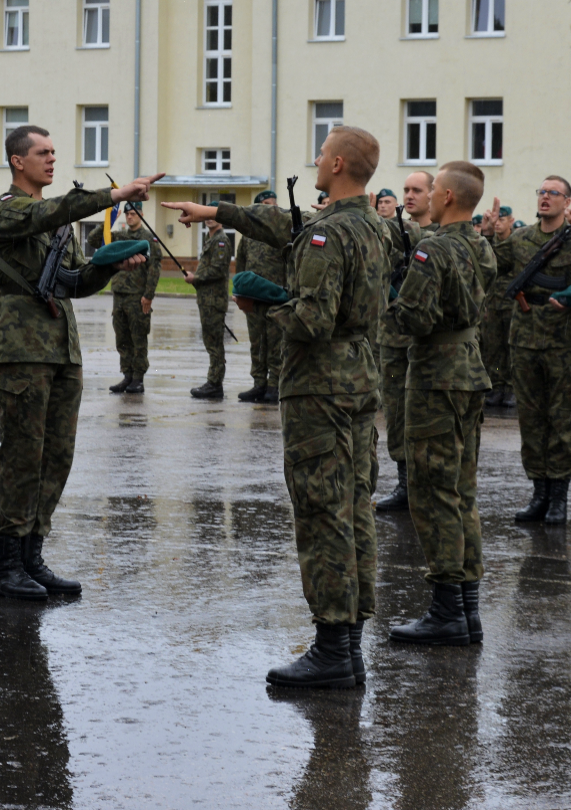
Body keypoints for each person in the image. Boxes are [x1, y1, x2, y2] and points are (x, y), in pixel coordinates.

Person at [163, 125, 387, 689]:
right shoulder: (372, 225)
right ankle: (350, 645)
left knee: (323, 510)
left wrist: (262, 306)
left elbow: (311, 319)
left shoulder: (328, 237)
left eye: (321, 153)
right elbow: (290, 222)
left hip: (321, 385)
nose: (315, 159)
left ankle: (332, 648)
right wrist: (218, 212)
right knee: (356, 506)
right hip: (359, 377)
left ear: (336, 165)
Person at [0, 124, 160, 601]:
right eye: (43, 152)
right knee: (21, 456)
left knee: (55, 457)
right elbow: (49, 210)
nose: (52, 159)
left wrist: (109, 266)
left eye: (55, 152)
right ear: (18, 161)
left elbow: (74, 283)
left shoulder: (57, 223)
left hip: (61, 349)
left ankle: (32, 556)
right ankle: (6, 566)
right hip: (18, 351)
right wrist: (114, 194)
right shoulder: (6, 210)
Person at [383, 161, 493, 647]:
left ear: (446, 196)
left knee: (432, 492)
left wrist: (391, 295)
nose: (424, 195)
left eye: (432, 188)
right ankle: (466, 609)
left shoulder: (434, 247)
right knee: (462, 488)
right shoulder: (480, 243)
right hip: (469, 369)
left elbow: (415, 319)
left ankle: (447, 609)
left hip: (435, 376)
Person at [503, 176, 571, 526]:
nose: (545, 198)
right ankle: (538, 492)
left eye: (552, 193)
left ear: (568, 202)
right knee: (530, 420)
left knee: (559, 420)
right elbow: (491, 266)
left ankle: (559, 496)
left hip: (563, 342)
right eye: (541, 192)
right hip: (525, 341)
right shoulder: (520, 239)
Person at [373, 183, 428, 511]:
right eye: (405, 189)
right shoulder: (390, 232)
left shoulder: (438, 234)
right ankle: (405, 484)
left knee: (426, 416)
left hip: (427, 342)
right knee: (396, 415)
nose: (410, 195)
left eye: (417, 189)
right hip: (392, 337)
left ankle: (426, 487)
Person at [91, 207, 158, 393]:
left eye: (133, 214)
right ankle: (127, 376)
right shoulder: (120, 236)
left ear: (141, 216)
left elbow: (154, 268)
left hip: (138, 296)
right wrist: (109, 221)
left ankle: (138, 378)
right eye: (127, 214)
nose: (130, 217)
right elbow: (94, 240)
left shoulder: (148, 239)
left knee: (138, 339)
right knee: (122, 339)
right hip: (119, 295)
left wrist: (148, 295)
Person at [236, 191, 287, 403]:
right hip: (253, 299)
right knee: (257, 342)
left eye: (273, 204)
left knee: (276, 343)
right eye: (265, 204)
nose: (270, 208)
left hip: (276, 296)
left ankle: (274, 385)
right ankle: (259, 383)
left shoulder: (280, 232)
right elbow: (240, 264)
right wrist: (238, 291)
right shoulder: (248, 236)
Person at [188, 218, 235, 398]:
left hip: (214, 300)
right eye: (206, 215)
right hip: (207, 299)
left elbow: (218, 269)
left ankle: (215, 383)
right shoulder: (211, 240)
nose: (209, 219)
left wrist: (196, 278)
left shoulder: (221, 241)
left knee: (214, 343)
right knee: (210, 342)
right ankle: (214, 381)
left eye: (213, 215)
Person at [477, 195, 515, 408]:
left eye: (503, 218)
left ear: (511, 220)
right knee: (493, 350)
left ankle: (510, 388)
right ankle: (497, 385)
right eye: (496, 219)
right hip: (492, 306)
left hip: (511, 305)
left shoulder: (516, 244)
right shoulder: (488, 245)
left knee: (509, 350)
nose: (498, 222)